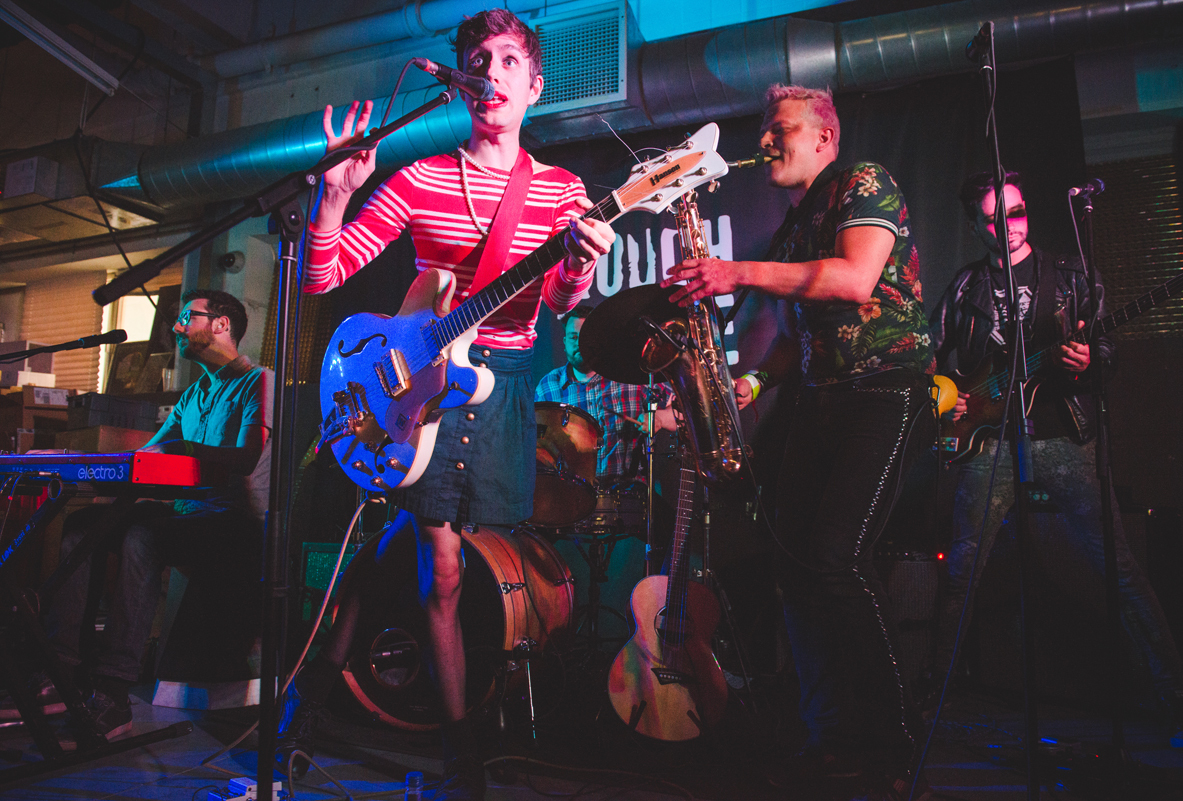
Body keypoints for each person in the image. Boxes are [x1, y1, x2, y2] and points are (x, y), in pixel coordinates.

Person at [281, 10, 614, 799]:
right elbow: (323, 278)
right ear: (462, 82)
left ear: (534, 86)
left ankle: (314, 690)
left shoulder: (563, 191)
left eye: (508, 60)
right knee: (442, 568)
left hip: (496, 388)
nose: (491, 72)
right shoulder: (420, 177)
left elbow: (560, 302)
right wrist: (332, 199)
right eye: (478, 60)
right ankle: (461, 749)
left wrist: (580, 266)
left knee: (407, 543)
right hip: (413, 379)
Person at [661, 84, 936, 799]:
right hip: (821, 398)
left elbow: (853, 280)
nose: (765, 142)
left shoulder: (862, 180)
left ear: (824, 137)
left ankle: (894, 741)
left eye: (779, 129)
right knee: (794, 566)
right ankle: (829, 738)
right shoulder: (793, 226)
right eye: (764, 130)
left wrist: (735, 272)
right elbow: (792, 338)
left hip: (885, 389)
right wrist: (751, 383)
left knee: (837, 558)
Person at [928, 170, 1183, 747]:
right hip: (989, 442)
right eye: (994, 218)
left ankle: (1176, 701)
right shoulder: (966, 286)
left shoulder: (1072, 275)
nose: (1009, 226)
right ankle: (931, 711)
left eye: (1017, 212)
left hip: (1063, 436)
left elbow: (1106, 349)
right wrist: (951, 399)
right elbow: (932, 358)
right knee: (960, 575)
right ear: (976, 226)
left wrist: (1090, 360)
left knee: (1119, 571)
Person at [12, 290, 272, 741]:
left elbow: (248, 456)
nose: (177, 326)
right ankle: (62, 670)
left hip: (236, 525)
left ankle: (113, 691)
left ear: (221, 324)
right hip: (186, 516)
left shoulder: (258, 382)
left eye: (188, 317)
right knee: (83, 527)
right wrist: (76, 463)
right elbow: (149, 456)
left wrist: (182, 449)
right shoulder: (194, 394)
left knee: (143, 537)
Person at [534, 305, 676, 483]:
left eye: (585, 337)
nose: (579, 344)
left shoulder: (630, 376)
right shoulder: (547, 387)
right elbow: (535, 445)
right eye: (573, 337)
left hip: (629, 492)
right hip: (573, 494)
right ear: (564, 342)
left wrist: (660, 418)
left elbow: (683, 413)